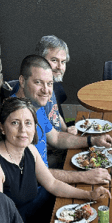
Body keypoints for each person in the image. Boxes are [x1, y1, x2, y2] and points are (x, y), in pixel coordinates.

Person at [0, 97, 111, 223]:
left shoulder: (29, 150)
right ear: (2, 127)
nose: (23, 130)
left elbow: (53, 184)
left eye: (28, 123)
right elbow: (1, 219)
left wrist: (89, 195)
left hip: (36, 219)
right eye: (15, 123)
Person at [1, 55, 112, 175]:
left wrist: (93, 140)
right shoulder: (15, 116)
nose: (46, 90)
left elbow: (56, 137)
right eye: (38, 82)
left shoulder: (35, 105)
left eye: (49, 84)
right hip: (42, 188)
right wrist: (83, 176)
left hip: (49, 178)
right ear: (22, 81)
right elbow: (36, 175)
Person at [35, 35, 75, 168]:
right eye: (54, 60)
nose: (59, 67)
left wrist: (67, 129)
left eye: (63, 62)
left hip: (60, 141)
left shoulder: (51, 85)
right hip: (49, 157)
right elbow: (43, 142)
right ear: (40, 60)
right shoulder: (37, 93)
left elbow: (55, 114)